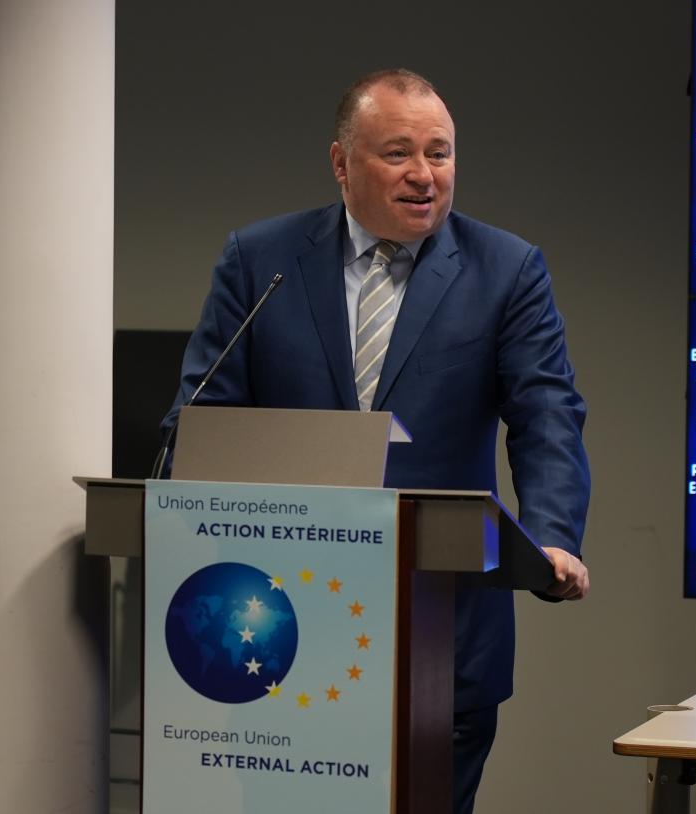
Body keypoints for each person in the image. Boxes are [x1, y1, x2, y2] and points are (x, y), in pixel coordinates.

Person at [161, 68, 590, 813]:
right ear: (341, 163)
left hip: (441, 639)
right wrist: (174, 496)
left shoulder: (507, 271)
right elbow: (202, 419)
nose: (425, 176)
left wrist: (552, 537)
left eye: (441, 153)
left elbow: (546, 414)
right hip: (276, 636)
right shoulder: (260, 261)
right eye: (398, 153)